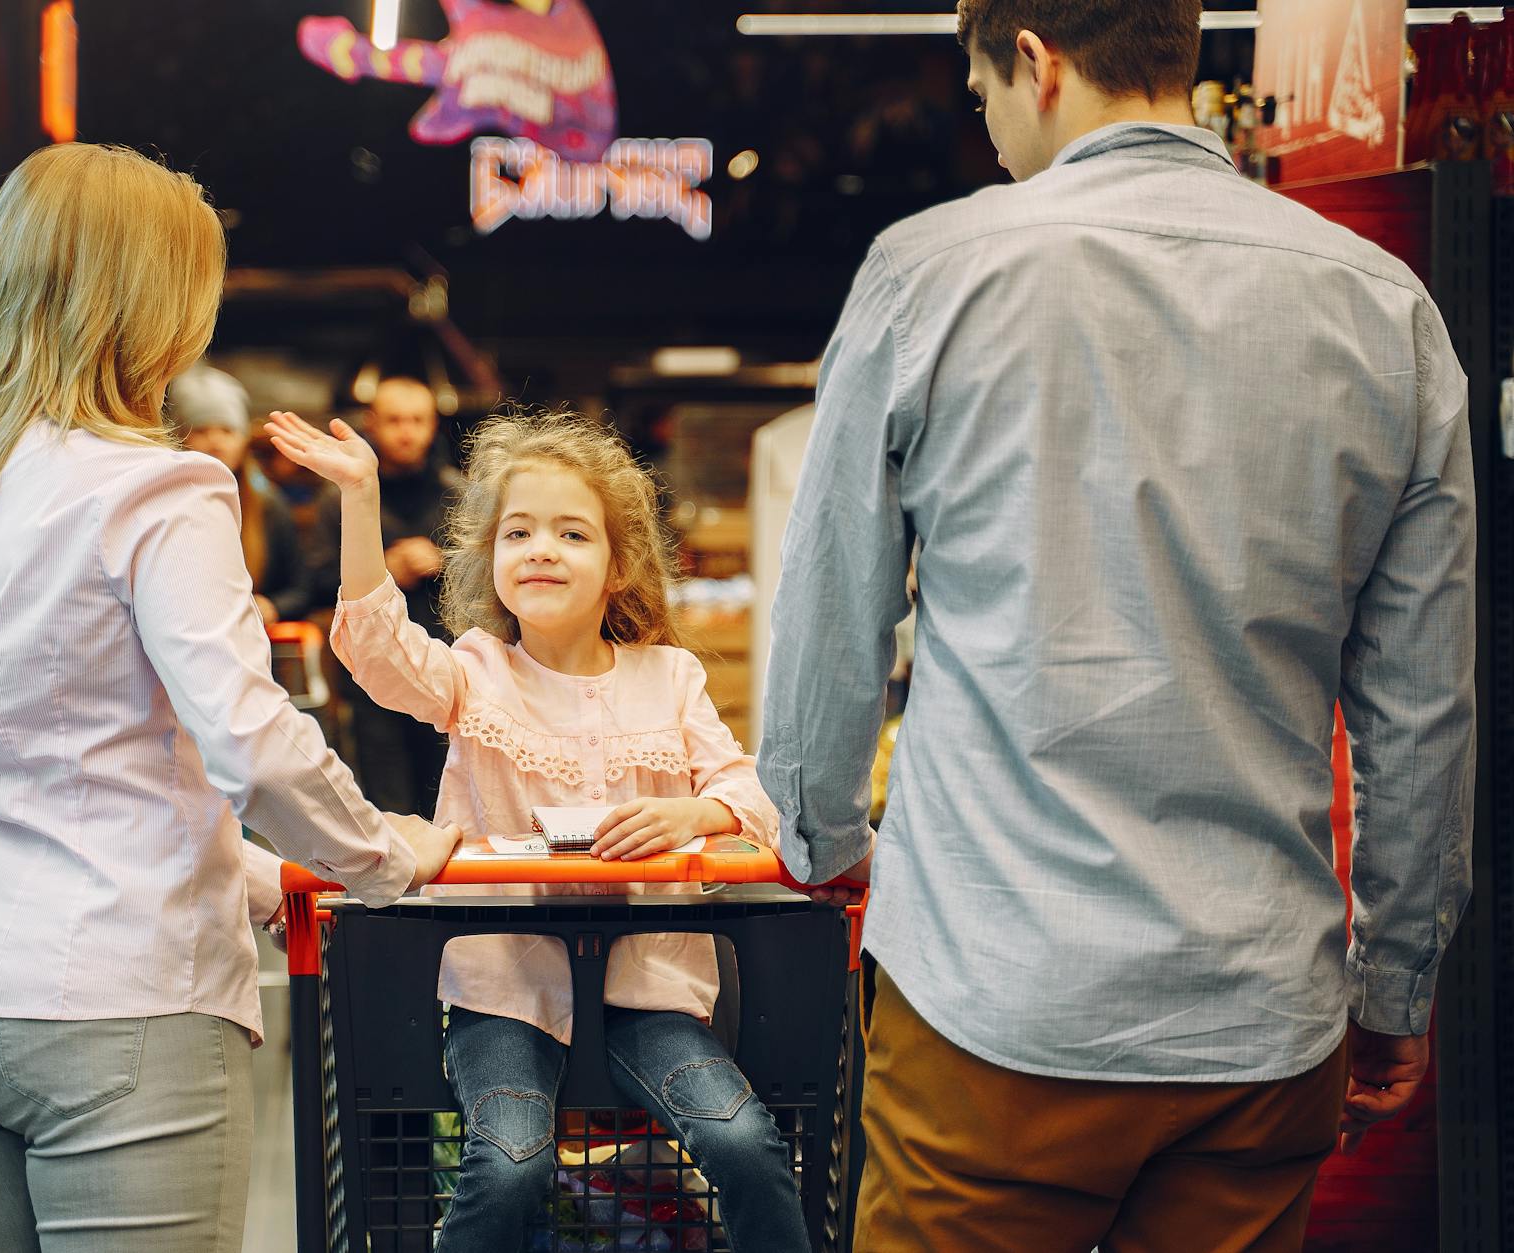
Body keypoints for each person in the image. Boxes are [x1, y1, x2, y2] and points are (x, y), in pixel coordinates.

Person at [760, 2, 1477, 1250]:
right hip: (1260, 1022)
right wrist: (1394, 981)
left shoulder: (931, 272)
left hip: (993, 999)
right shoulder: (1385, 307)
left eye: (983, 98)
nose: (988, 139)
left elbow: (833, 610)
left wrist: (820, 838)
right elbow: (1420, 703)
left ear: (1033, 62)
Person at [0, 144, 461, 1253]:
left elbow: (41, 748)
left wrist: (248, 871)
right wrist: (380, 853)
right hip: (111, 1005)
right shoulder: (161, 487)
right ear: (146, 304)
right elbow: (255, 748)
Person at [268, 407, 814, 1253]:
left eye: (571, 532)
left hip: (650, 985)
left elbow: (755, 793)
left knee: (745, 1143)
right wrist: (361, 495)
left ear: (618, 565)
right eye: (518, 531)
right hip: (504, 988)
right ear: (490, 558)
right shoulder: (475, 673)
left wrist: (695, 811)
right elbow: (376, 654)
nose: (542, 548)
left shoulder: (670, 677)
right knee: (512, 1158)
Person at [311, 375, 458, 814]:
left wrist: (444, 560)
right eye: (395, 420)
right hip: (368, 676)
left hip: (447, 669)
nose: (406, 431)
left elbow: (494, 575)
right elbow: (314, 581)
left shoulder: (461, 495)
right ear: (372, 423)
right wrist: (378, 572)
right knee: (385, 801)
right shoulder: (339, 496)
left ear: (433, 425)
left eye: (417, 420)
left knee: (448, 797)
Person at [167, 361, 314, 623]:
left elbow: (301, 590)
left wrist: (272, 607)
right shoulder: (163, 503)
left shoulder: (268, 504)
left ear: (243, 439)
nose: (216, 442)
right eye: (201, 430)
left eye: (227, 430)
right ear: (181, 438)